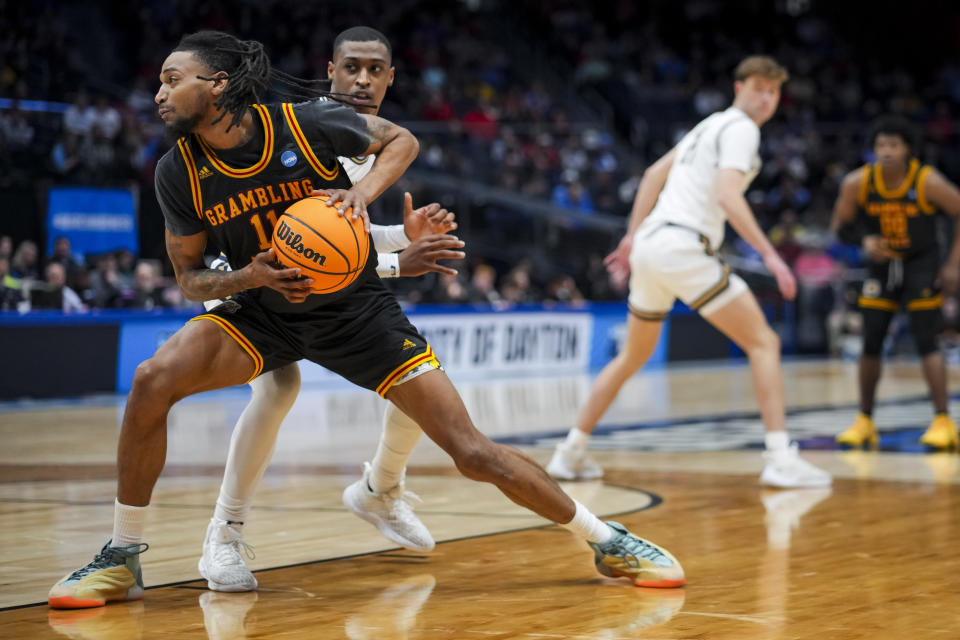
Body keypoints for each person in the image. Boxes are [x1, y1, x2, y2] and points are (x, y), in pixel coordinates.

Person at [48, 30, 683, 610]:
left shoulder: (306, 123)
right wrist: (250, 277)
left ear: (215, 86)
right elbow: (189, 279)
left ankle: (607, 539)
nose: (158, 92)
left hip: (355, 311)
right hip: (262, 309)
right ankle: (124, 554)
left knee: (471, 451)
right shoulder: (176, 172)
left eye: (170, 78)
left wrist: (363, 195)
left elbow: (402, 140)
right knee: (155, 378)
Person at [196, 27, 465, 593]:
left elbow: (334, 238)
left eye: (374, 70)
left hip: (303, 275)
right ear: (330, 70)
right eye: (351, 68)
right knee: (279, 386)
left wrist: (402, 235)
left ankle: (380, 489)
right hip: (237, 266)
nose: (362, 81)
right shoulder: (306, 125)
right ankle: (223, 534)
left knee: (418, 378)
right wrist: (400, 259)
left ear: (391, 78)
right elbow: (305, 246)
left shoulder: (364, 141)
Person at [547, 56, 832, 489]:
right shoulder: (741, 129)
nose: (766, 98)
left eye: (774, 92)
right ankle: (780, 457)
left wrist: (630, 238)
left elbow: (651, 176)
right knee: (763, 342)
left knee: (633, 356)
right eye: (759, 88)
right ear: (739, 88)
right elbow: (729, 197)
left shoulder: (707, 126)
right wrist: (772, 257)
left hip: (651, 247)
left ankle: (570, 452)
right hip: (683, 247)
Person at [833, 115, 960, 449]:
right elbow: (840, 227)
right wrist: (865, 243)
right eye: (880, 145)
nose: (886, 151)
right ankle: (864, 420)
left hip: (922, 263)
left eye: (893, 145)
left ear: (907, 150)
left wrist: (953, 265)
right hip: (882, 265)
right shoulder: (857, 183)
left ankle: (943, 420)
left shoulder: (927, 181)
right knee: (870, 340)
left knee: (926, 340)